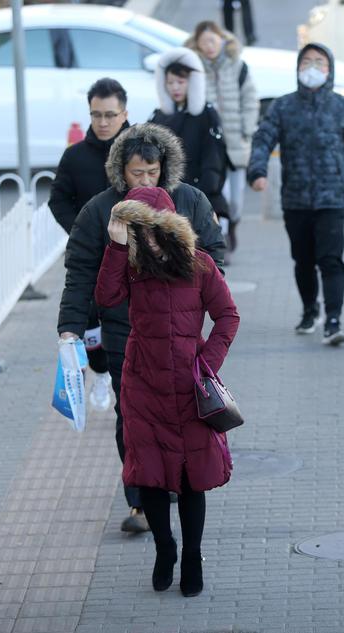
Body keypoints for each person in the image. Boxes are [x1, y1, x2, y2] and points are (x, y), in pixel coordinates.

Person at [57, 123, 226, 533]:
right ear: (121, 171)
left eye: (152, 172)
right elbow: (80, 272)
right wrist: (70, 327)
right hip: (126, 333)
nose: (146, 180)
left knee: (184, 416)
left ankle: (176, 482)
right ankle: (140, 500)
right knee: (132, 417)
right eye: (137, 173)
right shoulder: (101, 210)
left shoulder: (189, 200)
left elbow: (213, 256)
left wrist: (202, 303)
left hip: (182, 337)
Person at [95, 186, 239, 597]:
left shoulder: (199, 265)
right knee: (151, 475)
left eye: (151, 228)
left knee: (193, 479)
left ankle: (192, 555)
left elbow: (228, 315)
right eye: (138, 229)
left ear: (170, 227)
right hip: (143, 386)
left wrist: (206, 363)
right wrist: (116, 246)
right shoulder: (130, 266)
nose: (146, 237)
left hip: (190, 387)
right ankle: (165, 548)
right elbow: (105, 298)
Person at [247, 43, 344, 346]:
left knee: (331, 259)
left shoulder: (342, 107)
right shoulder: (283, 106)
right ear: (297, 68)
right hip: (296, 199)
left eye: (319, 62)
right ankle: (310, 309)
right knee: (303, 260)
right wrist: (257, 171)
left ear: (329, 69)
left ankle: (333, 320)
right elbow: (263, 139)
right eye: (307, 62)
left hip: (332, 199)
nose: (313, 68)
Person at [48, 77, 131, 411]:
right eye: (96, 115)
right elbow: (58, 201)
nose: (103, 122)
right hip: (92, 258)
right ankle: (100, 372)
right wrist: (82, 233)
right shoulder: (75, 157)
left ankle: (124, 381)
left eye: (110, 115)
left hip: (132, 257)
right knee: (91, 325)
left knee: (127, 324)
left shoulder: (139, 153)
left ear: (124, 114)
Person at [186, 21, 260, 253]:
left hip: (235, 141)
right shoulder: (193, 68)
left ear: (222, 40)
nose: (209, 46)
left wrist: (247, 128)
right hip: (209, 145)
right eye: (203, 42)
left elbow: (250, 99)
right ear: (197, 45)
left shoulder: (238, 66)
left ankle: (233, 223)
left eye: (212, 40)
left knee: (236, 199)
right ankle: (222, 238)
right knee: (218, 194)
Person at [150, 48, 230, 229]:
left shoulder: (206, 114)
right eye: (170, 82)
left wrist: (206, 190)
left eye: (181, 82)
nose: (175, 87)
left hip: (199, 190)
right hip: (167, 195)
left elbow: (213, 157)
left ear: (192, 81)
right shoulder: (159, 116)